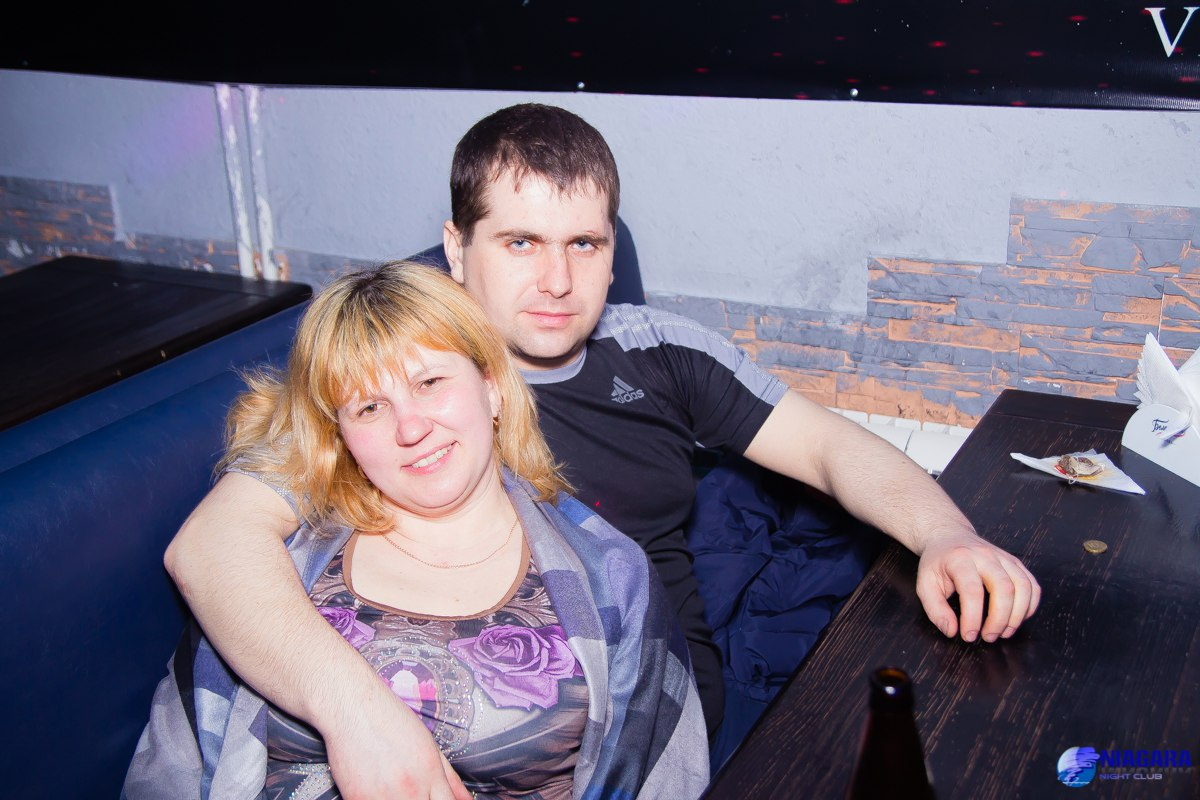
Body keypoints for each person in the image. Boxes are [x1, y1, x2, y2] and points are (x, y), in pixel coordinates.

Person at [165, 104, 1040, 796]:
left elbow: (829, 448)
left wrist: (945, 535)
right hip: (459, 731)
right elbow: (211, 544)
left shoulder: (661, 352)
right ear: (456, 248)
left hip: (657, 729)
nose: (557, 281)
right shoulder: (399, 378)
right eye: (520, 243)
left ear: (613, 250)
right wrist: (355, 713)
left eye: (584, 243)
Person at [124, 262, 710, 799]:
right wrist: (355, 718)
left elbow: (661, 778)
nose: (410, 428)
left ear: (492, 386)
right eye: (369, 408)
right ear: (342, 436)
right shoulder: (274, 562)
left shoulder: (609, 578)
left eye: (429, 383)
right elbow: (175, 767)